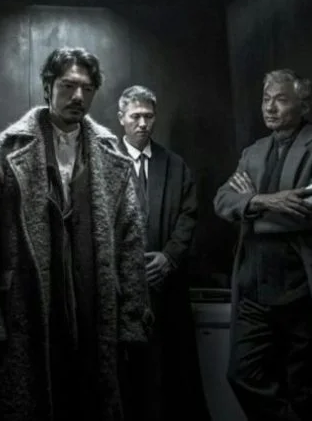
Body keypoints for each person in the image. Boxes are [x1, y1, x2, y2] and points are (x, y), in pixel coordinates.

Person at [0, 47, 153, 421]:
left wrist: (131, 318)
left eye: (87, 88)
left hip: (94, 307)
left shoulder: (109, 152)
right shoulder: (7, 151)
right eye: (68, 85)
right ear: (48, 86)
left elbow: (130, 241)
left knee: (90, 399)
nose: (78, 96)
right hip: (28, 309)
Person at [214, 69, 312, 421]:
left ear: (303, 105)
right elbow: (222, 201)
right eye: (266, 99)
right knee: (242, 374)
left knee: (305, 387)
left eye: (281, 99)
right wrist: (268, 201)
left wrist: (249, 206)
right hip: (253, 288)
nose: (270, 108)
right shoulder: (253, 152)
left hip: (301, 289)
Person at [116, 85, 210, 421]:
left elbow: (188, 215)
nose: (143, 123)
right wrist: (126, 267)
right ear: (121, 118)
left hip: (166, 286)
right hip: (120, 290)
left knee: (170, 375)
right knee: (125, 377)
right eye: (135, 116)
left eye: (149, 116)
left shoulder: (174, 165)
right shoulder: (103, 162)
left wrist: (169, 258)